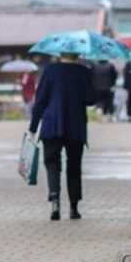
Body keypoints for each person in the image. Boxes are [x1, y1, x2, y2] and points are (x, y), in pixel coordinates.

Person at [28, 52, 96, 221]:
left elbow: (41, 100)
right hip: (76, 126)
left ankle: (55, 202)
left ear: (60, 54)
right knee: (74, 166)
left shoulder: (50, 71)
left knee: (52, 164)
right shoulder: (84, 72)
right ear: (77, 54)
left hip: (52, 125)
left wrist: (33, 127)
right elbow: (90, 99)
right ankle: (74, 207)